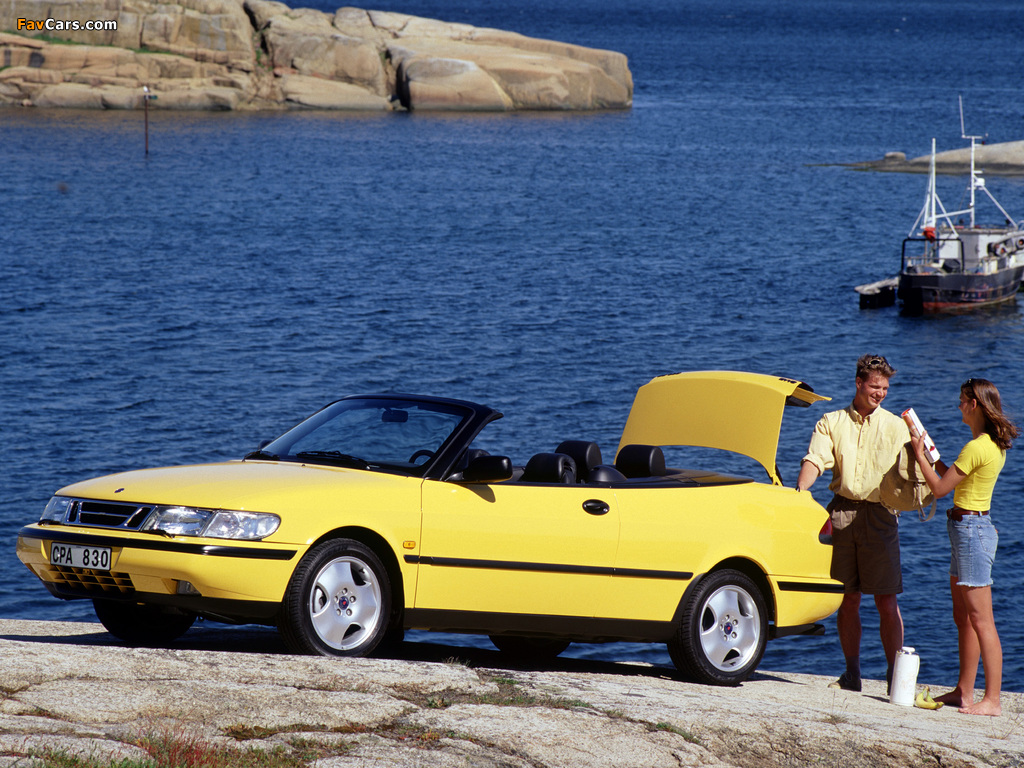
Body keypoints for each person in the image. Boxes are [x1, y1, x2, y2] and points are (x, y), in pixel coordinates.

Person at [796, 354, 909, 693]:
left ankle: (896, 679)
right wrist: (799, 493)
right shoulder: (831, 422)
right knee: (847, 599)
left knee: (886, 601)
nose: (880, 393)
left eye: (885, 388)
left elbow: (918, 468)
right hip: (841, 513)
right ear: (859, 383)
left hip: (881, 516)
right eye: (875, 386)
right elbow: (815, 460)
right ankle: (852, 675)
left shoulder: (897, 426)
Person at [908, 378, 1017, 717]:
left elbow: (940, 489)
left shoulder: (977, 447)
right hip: (965, 529)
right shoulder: (988, 445)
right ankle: (965, 691)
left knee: (982, 620)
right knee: (964, 618)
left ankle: (992, 700)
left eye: (961, 400)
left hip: (972, 533)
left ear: (974, 405)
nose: (958, 405)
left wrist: (918, 455)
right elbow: (952, 477)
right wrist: (931, 455)